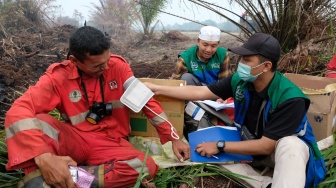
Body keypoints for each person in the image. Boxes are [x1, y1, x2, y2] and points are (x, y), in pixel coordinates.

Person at [4, 26, 190, 188]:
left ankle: (66, 178)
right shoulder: (58, 77)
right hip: (76, 138)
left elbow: (146, 102)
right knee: (39, 122)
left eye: (107, 60)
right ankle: (49, 171)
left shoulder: (118, 66)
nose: (106, 67)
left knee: (144, 166)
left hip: (112, 142)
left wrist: (174, 137)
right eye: (98, 65)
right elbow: (18, 112)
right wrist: (44, 157)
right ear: (75, 61)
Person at [145, 33, 326, 187]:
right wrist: (157, 88)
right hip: (249, 145)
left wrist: (220, 145)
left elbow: (266, 145)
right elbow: (201, 91)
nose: (241, 63)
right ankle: (265, 183)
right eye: (241, 58)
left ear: (266, 66)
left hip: (277, 152)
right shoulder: (240, 80)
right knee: (205, 151)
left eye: (247, 59)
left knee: (290, 145)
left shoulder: (290, 97)